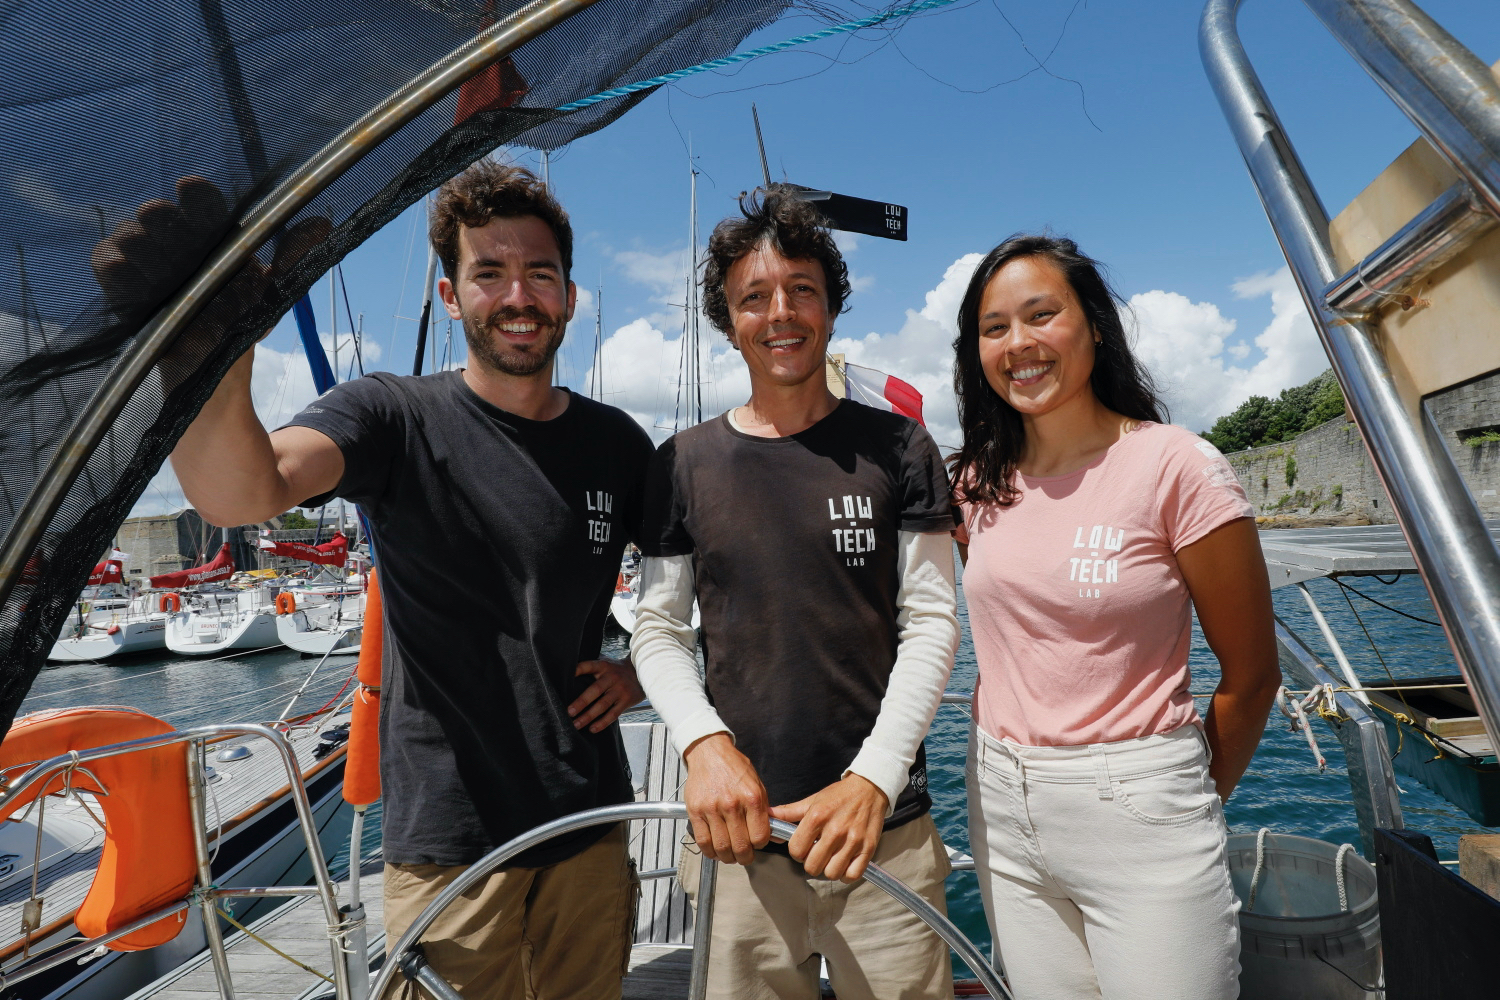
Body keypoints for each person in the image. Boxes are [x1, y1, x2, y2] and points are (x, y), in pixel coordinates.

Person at [167, 160, 652, 1000]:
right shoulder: (392, 417)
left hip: (590, 823)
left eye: (540, 274)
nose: (518, 297)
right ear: (451, 295)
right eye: (489, 273)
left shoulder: (618, 443)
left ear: (570, 296)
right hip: (450, 845)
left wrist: (640, 669)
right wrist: (213, 354)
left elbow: (709, 578)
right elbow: (244, 490)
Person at [630, 186, 960, 1000]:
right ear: (729, 319)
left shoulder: (899, 447)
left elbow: (931, 620)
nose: (781, 313)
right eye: (754, 297)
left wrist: (872, 779)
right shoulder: (683, 463)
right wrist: (704, 747)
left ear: (832, 306)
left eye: (801, 291)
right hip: (737, 841)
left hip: (884, 831)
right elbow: (659, 629)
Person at [949, 233, 1281, 999]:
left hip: (1142, 803)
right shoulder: (974, 484)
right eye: (994, 328)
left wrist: (1177, 800)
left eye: (1041, 315)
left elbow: (1253, 675)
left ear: (1094, 325)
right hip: (998, 799)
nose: (1019, 344)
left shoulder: (1176, 466)